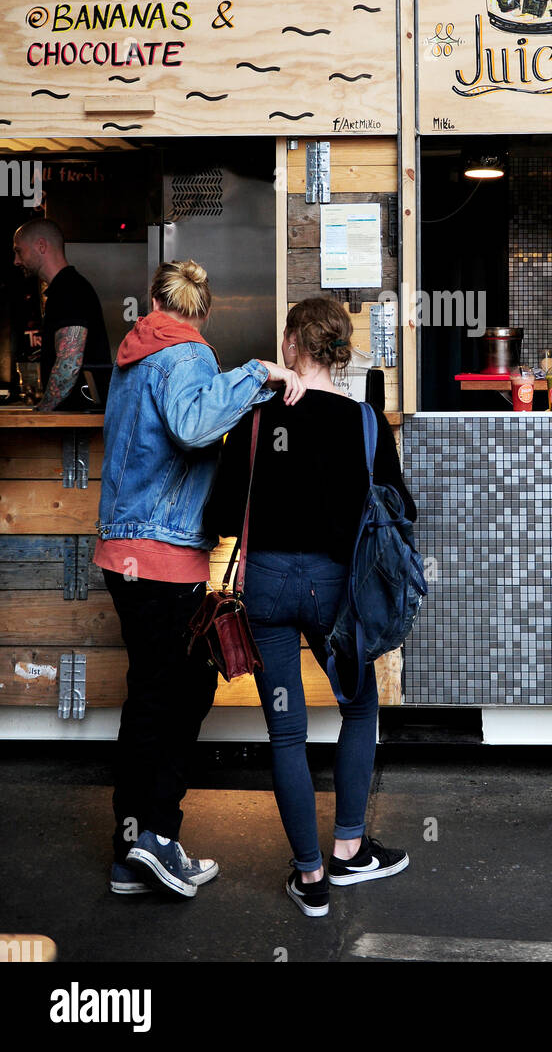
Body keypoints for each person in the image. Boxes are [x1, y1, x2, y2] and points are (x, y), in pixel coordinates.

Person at [95, 258, 305, 900]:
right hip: (160, 557)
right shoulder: (186, 355)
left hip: (123, 554)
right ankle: (152, 837)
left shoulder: (134, 354)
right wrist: (260, 371)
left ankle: (137, 849)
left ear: (152, 302)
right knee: (177, 695)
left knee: (156, 695)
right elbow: (191, 427)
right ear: (204, 312)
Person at [204, 296, 417, 918]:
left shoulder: (252, 418)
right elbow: (400, 510)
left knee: (286, 732)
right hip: (335, 592)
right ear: (339, 351)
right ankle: (350, 850)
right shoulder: (365, 423)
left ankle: (311, 877)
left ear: (294, 344)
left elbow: (219, 517)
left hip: (266, 588)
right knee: (358, 707)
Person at [12, 217, 111, 412]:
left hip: (77, 423)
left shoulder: (69, 290)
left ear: (41, 246)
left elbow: (69, 364)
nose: (16, 261)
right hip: (75, 419)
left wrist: (43, 411)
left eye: (18, 251)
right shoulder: (65, 289)